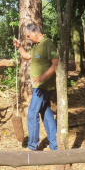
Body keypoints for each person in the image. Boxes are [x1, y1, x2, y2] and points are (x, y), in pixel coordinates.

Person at [13, 22, 59, 151]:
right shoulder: (36, 45)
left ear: (35, 32)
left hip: (43, 86)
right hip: (38, 86)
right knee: (46, 112)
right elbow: (27, 56)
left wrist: (42, 78)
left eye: (28, 35)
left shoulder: (47, 43)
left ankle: (32, 146)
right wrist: (19, 47)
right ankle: (55, 145)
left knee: (32, 113)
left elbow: (55, 64)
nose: (28, 38)